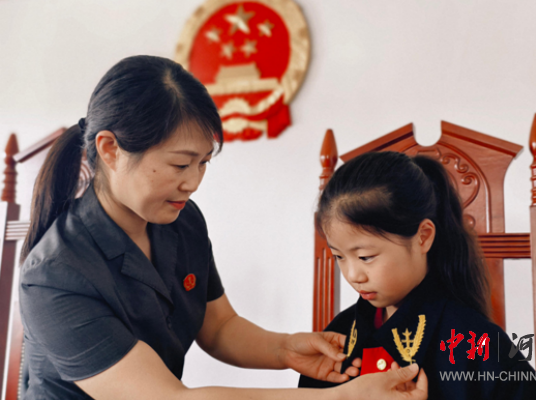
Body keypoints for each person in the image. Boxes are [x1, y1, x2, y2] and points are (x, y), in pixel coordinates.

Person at [18, 55, 428, 400]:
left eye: (203, 163)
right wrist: (341, 398)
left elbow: (219, 327)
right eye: (180, 164)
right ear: (110, 149)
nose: (193, 182)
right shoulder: (55, 276)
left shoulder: (181, 220)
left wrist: (285, 349)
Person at [298, 151, 536, 399]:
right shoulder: (337, 338)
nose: (353, 275)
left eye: (366, 257)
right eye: (339, 256)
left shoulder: (480, 346)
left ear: (423, 237)